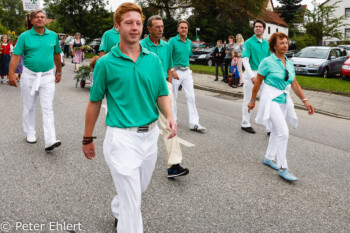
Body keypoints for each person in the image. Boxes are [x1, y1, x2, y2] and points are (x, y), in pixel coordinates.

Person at [82, 3, 176, 232]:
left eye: (138, 23)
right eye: (128, 23)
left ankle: (118, 209)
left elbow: (161, 92)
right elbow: (94, 102)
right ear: (117, 26)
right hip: (122, 139)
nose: (134, 28)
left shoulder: (153, 60)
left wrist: (170, 116)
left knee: (137, 191)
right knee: (133, 203)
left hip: (150, 136)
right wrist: (87, 138)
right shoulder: (105, 64)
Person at [248, 32, 314, 181]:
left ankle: (269, 157)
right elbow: (258, 83)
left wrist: (305, 101)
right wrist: (252, 100)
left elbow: (294, 84)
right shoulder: (267, 62)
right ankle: (283, 167)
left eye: (286, 43)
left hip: (284, 100)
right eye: (282, 43)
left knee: (277, 132)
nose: (285, 45)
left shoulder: (289, 63)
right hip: (270, 99)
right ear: (274, 46)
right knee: (283, 132)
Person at [140, 15, 189, 178]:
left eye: (162, 26)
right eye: (157, 27)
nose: (161, 29)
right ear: (148, 29)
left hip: (163, 88)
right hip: (145, 90)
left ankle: (174, 165)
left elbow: (168, 68)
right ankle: (134, 159)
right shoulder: (140, 45)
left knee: (169, 123)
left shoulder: (166, 46)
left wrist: (168, 85)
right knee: (142, 126)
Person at [8, 9, 62, 152]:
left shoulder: (53, 35)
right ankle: (30, 132)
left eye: (42, 17)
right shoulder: (24, 37)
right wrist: (11, 73)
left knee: (48, 108)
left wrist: (59, 71)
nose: (40, 19)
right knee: (29, 107)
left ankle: (50, 140)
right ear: (31, 21)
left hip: (47, 76)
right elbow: (16, 56)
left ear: (45, 19)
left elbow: (57, 54)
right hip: (29, 76)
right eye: (37, 17)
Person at [168, 20, 206, 132]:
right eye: (182, 27)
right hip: (176, 71)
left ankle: (194, 123)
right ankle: (172, 121)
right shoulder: (172, 41)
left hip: (187, 71)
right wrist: (172, 70)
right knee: (173, 97)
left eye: (185, 28)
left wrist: (187, 68)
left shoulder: (189, 42)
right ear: (178, 29)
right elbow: (168, 56)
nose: (184, 29)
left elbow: (188, 56)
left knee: (191, 96)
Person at [241, 20, 271, 134]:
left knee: (267, 100)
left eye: (260, 26)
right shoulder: (248, 42)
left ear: (264, 29)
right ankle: (245, 123)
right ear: (254, 29)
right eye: (256, 26)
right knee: (248, 100)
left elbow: (270, 60)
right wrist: (252, 76)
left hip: (263, 76)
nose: (258, 28)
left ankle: (269, 127)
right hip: (251, 75)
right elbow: (245, 60)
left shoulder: (266, 44)